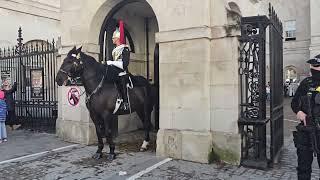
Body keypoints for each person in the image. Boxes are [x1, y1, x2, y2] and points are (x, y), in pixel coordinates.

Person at [291, 54, 320, 180]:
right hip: (306, 130)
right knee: (303, 167)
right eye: (313, 66)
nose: (314, 68)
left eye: (317, 66)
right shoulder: (306, 83)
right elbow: (294, 102)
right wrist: (298, 112)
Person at [106, 20, 130, 110]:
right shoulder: (115, 49)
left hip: (122, 73)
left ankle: (125, 102)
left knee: (121, 83)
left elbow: (124, 64)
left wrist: (111, 62)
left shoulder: (125, 49)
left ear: (118, 39)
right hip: (114, 71)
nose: (112, 39)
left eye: (113, 38)